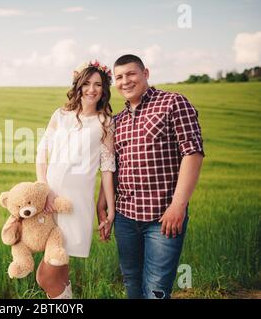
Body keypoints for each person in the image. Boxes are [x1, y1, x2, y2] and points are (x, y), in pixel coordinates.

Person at [97, 54, 204, 299]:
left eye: (131, 74)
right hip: (125, 217)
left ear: (146, 73)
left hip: (163, 217)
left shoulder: (173, 102)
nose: (125, 81)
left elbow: (193, 153)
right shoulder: (118, 121)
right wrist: (103, 202)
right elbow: (112, 167)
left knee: (156, 288)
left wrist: (178, 205)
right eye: (119, 77)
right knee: (131, 281)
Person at [34, 60, 116, 299]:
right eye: (87, 83)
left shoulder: (105, 123)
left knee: (46, 276)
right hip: (49, 202)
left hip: (76, 206)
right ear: (78, 86)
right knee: (58, 275)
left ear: (104, 89)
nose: (92, 89)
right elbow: (42, 153)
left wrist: (109, 210)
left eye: (98, 84)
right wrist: (44, 188)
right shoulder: (60, 116)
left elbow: (108, 169)